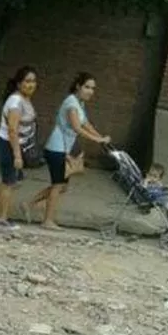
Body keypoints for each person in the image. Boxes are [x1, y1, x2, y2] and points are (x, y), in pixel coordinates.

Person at [25, 72, 109, 230]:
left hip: (63, 149)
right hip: (56, 148)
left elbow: (86, 124)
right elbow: (77, 127)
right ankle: (47, 221)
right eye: (87, 87)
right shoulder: (71, 103)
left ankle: (29, 204)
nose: (90, 91)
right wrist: (97, 140)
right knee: (58, 185)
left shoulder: (80, 103)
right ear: (78, 86)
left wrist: (101, 137)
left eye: (93, 88)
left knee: (62, 186)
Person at [0, 66, 38, 230]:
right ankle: (1, 219)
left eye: (34, 81)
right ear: (19, 84)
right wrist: (17, 155)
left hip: (18, 145)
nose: (31, 84)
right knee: (9, 182)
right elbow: (12, 129)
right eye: (27, 81)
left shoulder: (25, 99)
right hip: (8, 144)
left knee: (15, 181)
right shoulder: (16, 101)